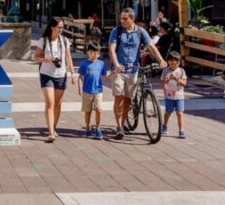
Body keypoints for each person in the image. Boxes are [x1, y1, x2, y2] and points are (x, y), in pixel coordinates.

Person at [109, 7, 166, 139]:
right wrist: (116, 64)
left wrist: (161, 60)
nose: (122, 21)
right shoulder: (116, 31)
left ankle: (122, 124)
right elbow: (112, 49)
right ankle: (118, 127)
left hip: (133, 69)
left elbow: (151, 46)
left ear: (132, 19)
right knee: (119, 98)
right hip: (119, 69)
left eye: (125, 18)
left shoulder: (140, 32)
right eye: (121, 18)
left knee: (128, 99)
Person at [32, 17, 76, 143]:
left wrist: (73, 73)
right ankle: (51, 132)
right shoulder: (43, 41)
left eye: (63, 27)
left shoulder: (64, 41)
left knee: (57, 104)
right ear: (52, 27)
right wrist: (46, 59)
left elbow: (68, 58)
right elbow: (35, 57)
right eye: (59, 27)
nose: (61, 29)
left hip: (61, 75)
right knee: (50, 103)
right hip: (46, 74)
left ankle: (54, 127)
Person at [76, 42, 108, 140]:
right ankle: (87, 127)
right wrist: (80, 88)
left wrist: (113, 74)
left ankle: (98, 128)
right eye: (91, 52)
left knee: (99, 109)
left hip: (98, 90)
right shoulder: (84, 64)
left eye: (96, 53)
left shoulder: (101, 64)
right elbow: (80, 77)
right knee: (88, 111)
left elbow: (105, 77)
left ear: (99, 53)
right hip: (86, 91)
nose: (94, 55)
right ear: (88, 52)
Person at [161, 51, 188, 138]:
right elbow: (163, 82)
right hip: (169, 96)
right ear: (168, 62)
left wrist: (176, 78)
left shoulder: (181, 71)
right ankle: (164, 126)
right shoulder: (165, 71)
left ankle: (181, 130)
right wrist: (167, 79)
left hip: (179, 96)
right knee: (168, 112)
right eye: (171, 63)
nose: (173, 65)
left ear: (179, 62)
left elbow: (184, 83)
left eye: (175, 63)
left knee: (180, 113)